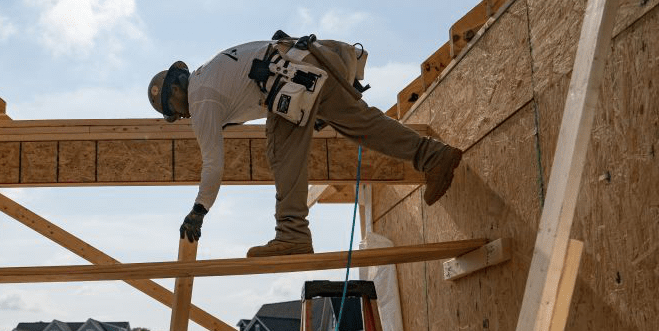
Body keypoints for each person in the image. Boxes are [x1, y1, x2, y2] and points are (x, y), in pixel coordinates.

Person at [147, 32, 463, 257]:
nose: (180, 115)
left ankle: (292, 233)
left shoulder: (200, 97)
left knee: (281, 149)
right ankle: (434, 156)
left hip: (294, 79)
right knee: (362, 125)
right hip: (316, 60)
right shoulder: (212, 73)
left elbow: (213, 164)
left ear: (176, 90)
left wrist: (198, 211)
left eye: (172, 111)